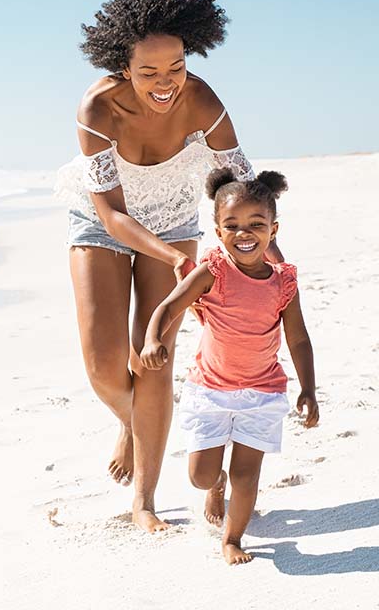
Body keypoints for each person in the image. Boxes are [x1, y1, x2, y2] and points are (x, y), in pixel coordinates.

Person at [55, 0, 282, 532]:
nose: (166, 83)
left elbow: (245, 189)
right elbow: (111, 215)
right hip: (105, 222)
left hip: (175, 216)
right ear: (122, 66)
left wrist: (271, 261)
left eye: (175, 67)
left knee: (151, 353)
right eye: (149, 72)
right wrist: (177, 259)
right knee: (105, 365)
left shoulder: (203, 99)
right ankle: (134, 424)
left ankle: (144, 500)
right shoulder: (98, 107)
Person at [141, 167, 318, 563]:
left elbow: (299, 338)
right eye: (232, 225)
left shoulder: (283, 282)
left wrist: (308, 388)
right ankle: (214, 484)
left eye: (257, 224)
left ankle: (232, 539)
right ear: (218, 232)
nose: (244, 233)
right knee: (201, 475)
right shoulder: (213, 272)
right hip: (209, 391)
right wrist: (153, 338)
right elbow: (170, 306)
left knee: (246, 475)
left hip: (262, 392)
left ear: (274, 230)